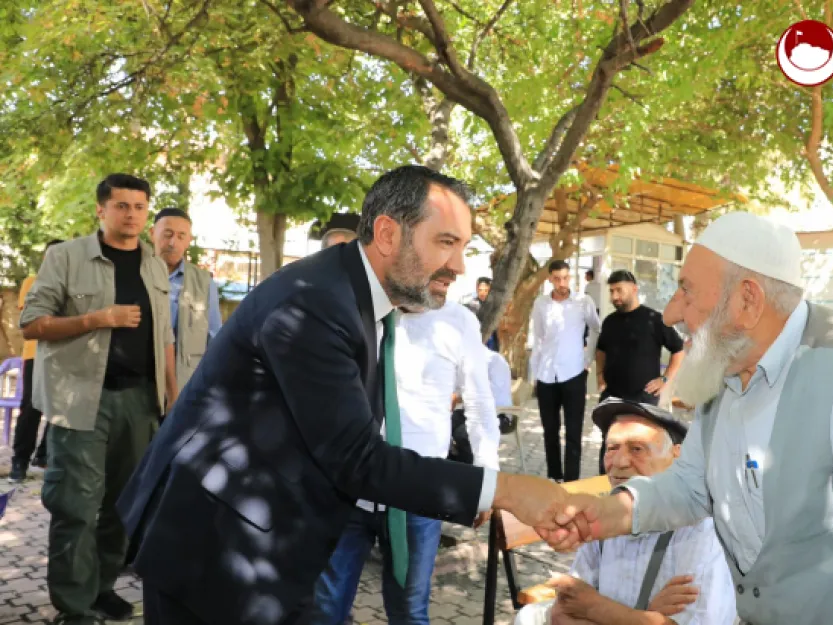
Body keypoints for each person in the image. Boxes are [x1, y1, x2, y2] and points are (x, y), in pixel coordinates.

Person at [116, 165, 584, 625]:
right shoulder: (316, 302)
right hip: (213, 550)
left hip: (263, 544)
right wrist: (507, 490)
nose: (459, 267)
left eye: (462, 248)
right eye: (446, 243)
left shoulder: (357, 297)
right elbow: (355, 458)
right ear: (387, 234)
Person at [546, 212, 833, 625]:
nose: (671, 312)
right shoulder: (725, 372)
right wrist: (605, 512)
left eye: (686, 291)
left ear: (747, 300)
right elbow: (690, 486)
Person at [20, 174, 177, 624]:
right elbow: (31, 324)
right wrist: (96, 319)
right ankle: (73, 607)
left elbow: (163, 335)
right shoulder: (65, 257)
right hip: (82, 402)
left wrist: (173, 396)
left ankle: (102, 588)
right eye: (122, 205)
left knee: (122, 506)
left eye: (140, 206)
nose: (131, 214)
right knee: (75, 507)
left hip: (140, 404)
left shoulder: (152, 264)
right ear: (101, 210)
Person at [312, 295, 501, 625]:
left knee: (409, 610)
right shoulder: (361, 310)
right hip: (351, 490)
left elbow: (480, 404)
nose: (451, 271)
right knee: (327, 607)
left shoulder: (458, 321)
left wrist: (488, 476)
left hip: (419, 494)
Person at [515, 398, 735, 625]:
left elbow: (583, 605)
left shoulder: (702, 531)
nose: (618, 462)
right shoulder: (601, 518)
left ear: (677, 456)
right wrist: (644, 616)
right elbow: (565, 613)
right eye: (611, 448)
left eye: (637, 449)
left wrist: (597, 607)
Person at [595, 270, 685, 473]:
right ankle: (606, 493)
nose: (614, 296)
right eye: (611, 291)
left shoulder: (654, 319)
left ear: (634, 289)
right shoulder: (609, 322)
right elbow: (600, 350)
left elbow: (678, 350)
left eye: (619, 290)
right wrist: (600, 375)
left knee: (639, 449)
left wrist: (664, 379)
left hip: (643, 398)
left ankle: (638, 494)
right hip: (612, 398)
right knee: (610, 448)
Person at [530, 259, 601, 482]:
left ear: (571, 277)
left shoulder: (583, 301)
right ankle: (554, 477)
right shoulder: (541, 304)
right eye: (557, 278)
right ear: (550, 279)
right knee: (550, 431)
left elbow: (596, 329)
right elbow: (539, 338)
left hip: (574, 373)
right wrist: (535, 373)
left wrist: (587, 359)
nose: (562, 282)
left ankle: (571, 482)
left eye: (566, 277)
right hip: (546, 375)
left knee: (573, 432)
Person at [8, 238, 65, 482]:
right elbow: (34, 316)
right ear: (45, 258)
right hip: (36, 353)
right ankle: (19, 461)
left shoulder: (71, 284)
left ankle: (44, 456)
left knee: (60, 408)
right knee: (31, 407)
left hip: (64, 353)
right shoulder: (32, 282)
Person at [151, 208, 222, 391]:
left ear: (189, 240)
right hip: (144, 383)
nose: (173, 242)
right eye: (167, 234)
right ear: (152, 234)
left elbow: (214, 336)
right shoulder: (138, 273)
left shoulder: (204, 283)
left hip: (187, 383)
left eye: (181, 236)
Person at [463, 277, 499, 352]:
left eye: (486, 290)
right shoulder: (471, 305)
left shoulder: (495, 305)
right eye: (480, 290)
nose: (483, 293)